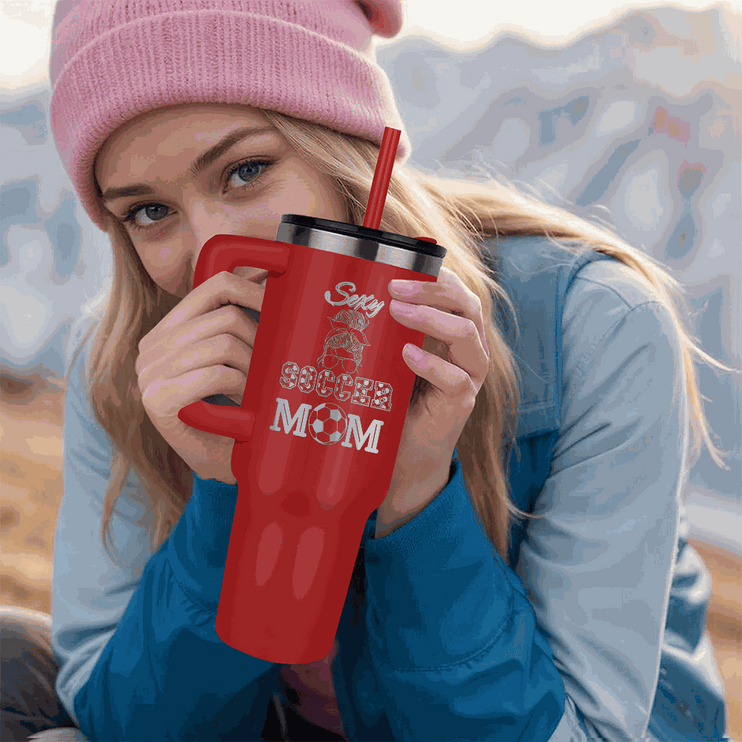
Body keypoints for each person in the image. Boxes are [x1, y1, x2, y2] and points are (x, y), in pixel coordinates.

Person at [0, 0, 734, 740]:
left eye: (247, 170)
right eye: (150, 212)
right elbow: (129, 726)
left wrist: (416, 497)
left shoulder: (591, 325)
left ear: (349, 148)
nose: (208, 251)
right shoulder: (130, 358)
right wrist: (230, 487)